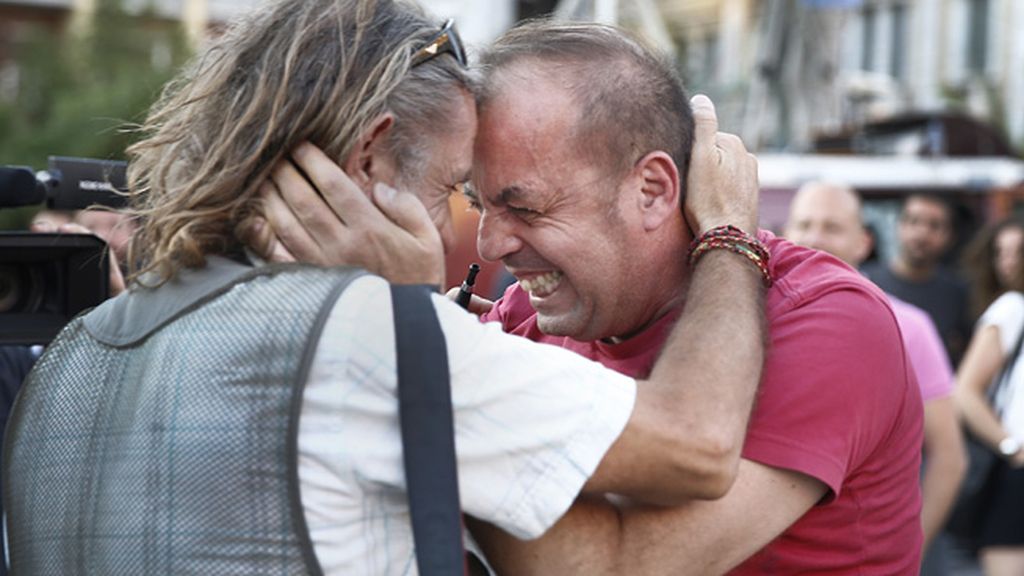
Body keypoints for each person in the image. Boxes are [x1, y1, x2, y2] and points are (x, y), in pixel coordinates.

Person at [2, 1, 767, 575]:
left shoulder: (74, 347)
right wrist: (729, 231)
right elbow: (696, 446)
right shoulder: (365, 330)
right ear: (370, 159)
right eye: (450, 188)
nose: (457, 231)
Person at [269, 20, 924, 574]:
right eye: (477, 203)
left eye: (523, 206)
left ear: (653, 190)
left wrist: (412, 344)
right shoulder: (532, 311)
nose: (491, 246)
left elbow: (623, 564)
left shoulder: (829, 324)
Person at [784, 180, 967, 573]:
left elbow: (949, 457)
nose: (814, 237)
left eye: (832, 227)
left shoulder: (908, 326)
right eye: (803, 224)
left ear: (863, 242)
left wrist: (908, 549)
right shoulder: (755, 319)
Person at [955, 216, 1024, 576]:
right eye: (1000, 252)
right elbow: (965, 392)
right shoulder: (1011, 307)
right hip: (1016, 476)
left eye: (1018, 251)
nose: (1007, 261)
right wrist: (1012, 447)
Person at [863, 193, 972, 366]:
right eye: (914, 221)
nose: (922, 233)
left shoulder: (959, 294)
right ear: (899, 226)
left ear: (949, 236)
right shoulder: (866, 282)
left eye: (934, 226)